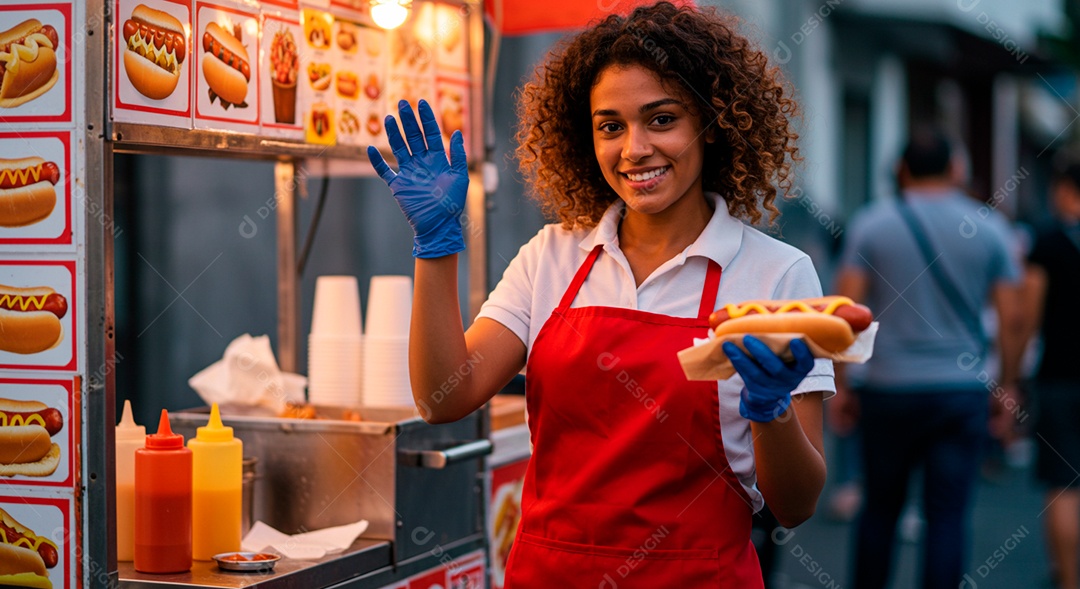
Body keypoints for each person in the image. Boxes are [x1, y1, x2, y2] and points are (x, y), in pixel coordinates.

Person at [368, 3, 832, 586]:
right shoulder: (551, 256)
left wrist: (773, 410)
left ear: (713, 124)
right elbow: (444, 398)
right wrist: (436, 247)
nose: (634, 148)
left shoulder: (778, 276)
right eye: (610, 126)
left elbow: (798, 504)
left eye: (661, 119)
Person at [831, 127, 1024, 589]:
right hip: (961, 390)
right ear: (956, 168)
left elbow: (843, 315)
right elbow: (1013, 319)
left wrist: (840, 385)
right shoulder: (990, 226)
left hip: (886, 388)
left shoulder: (871, 223)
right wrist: (1008, 385)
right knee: (948, 517)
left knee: (879, 509)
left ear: (901, 170)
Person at [1019, 158, 1080, 589]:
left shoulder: (1048, 241)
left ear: (1063, 190)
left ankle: (1068, 579)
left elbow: (1027, 317)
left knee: (1062, 484)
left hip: (1059, 376)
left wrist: (1012, 374)